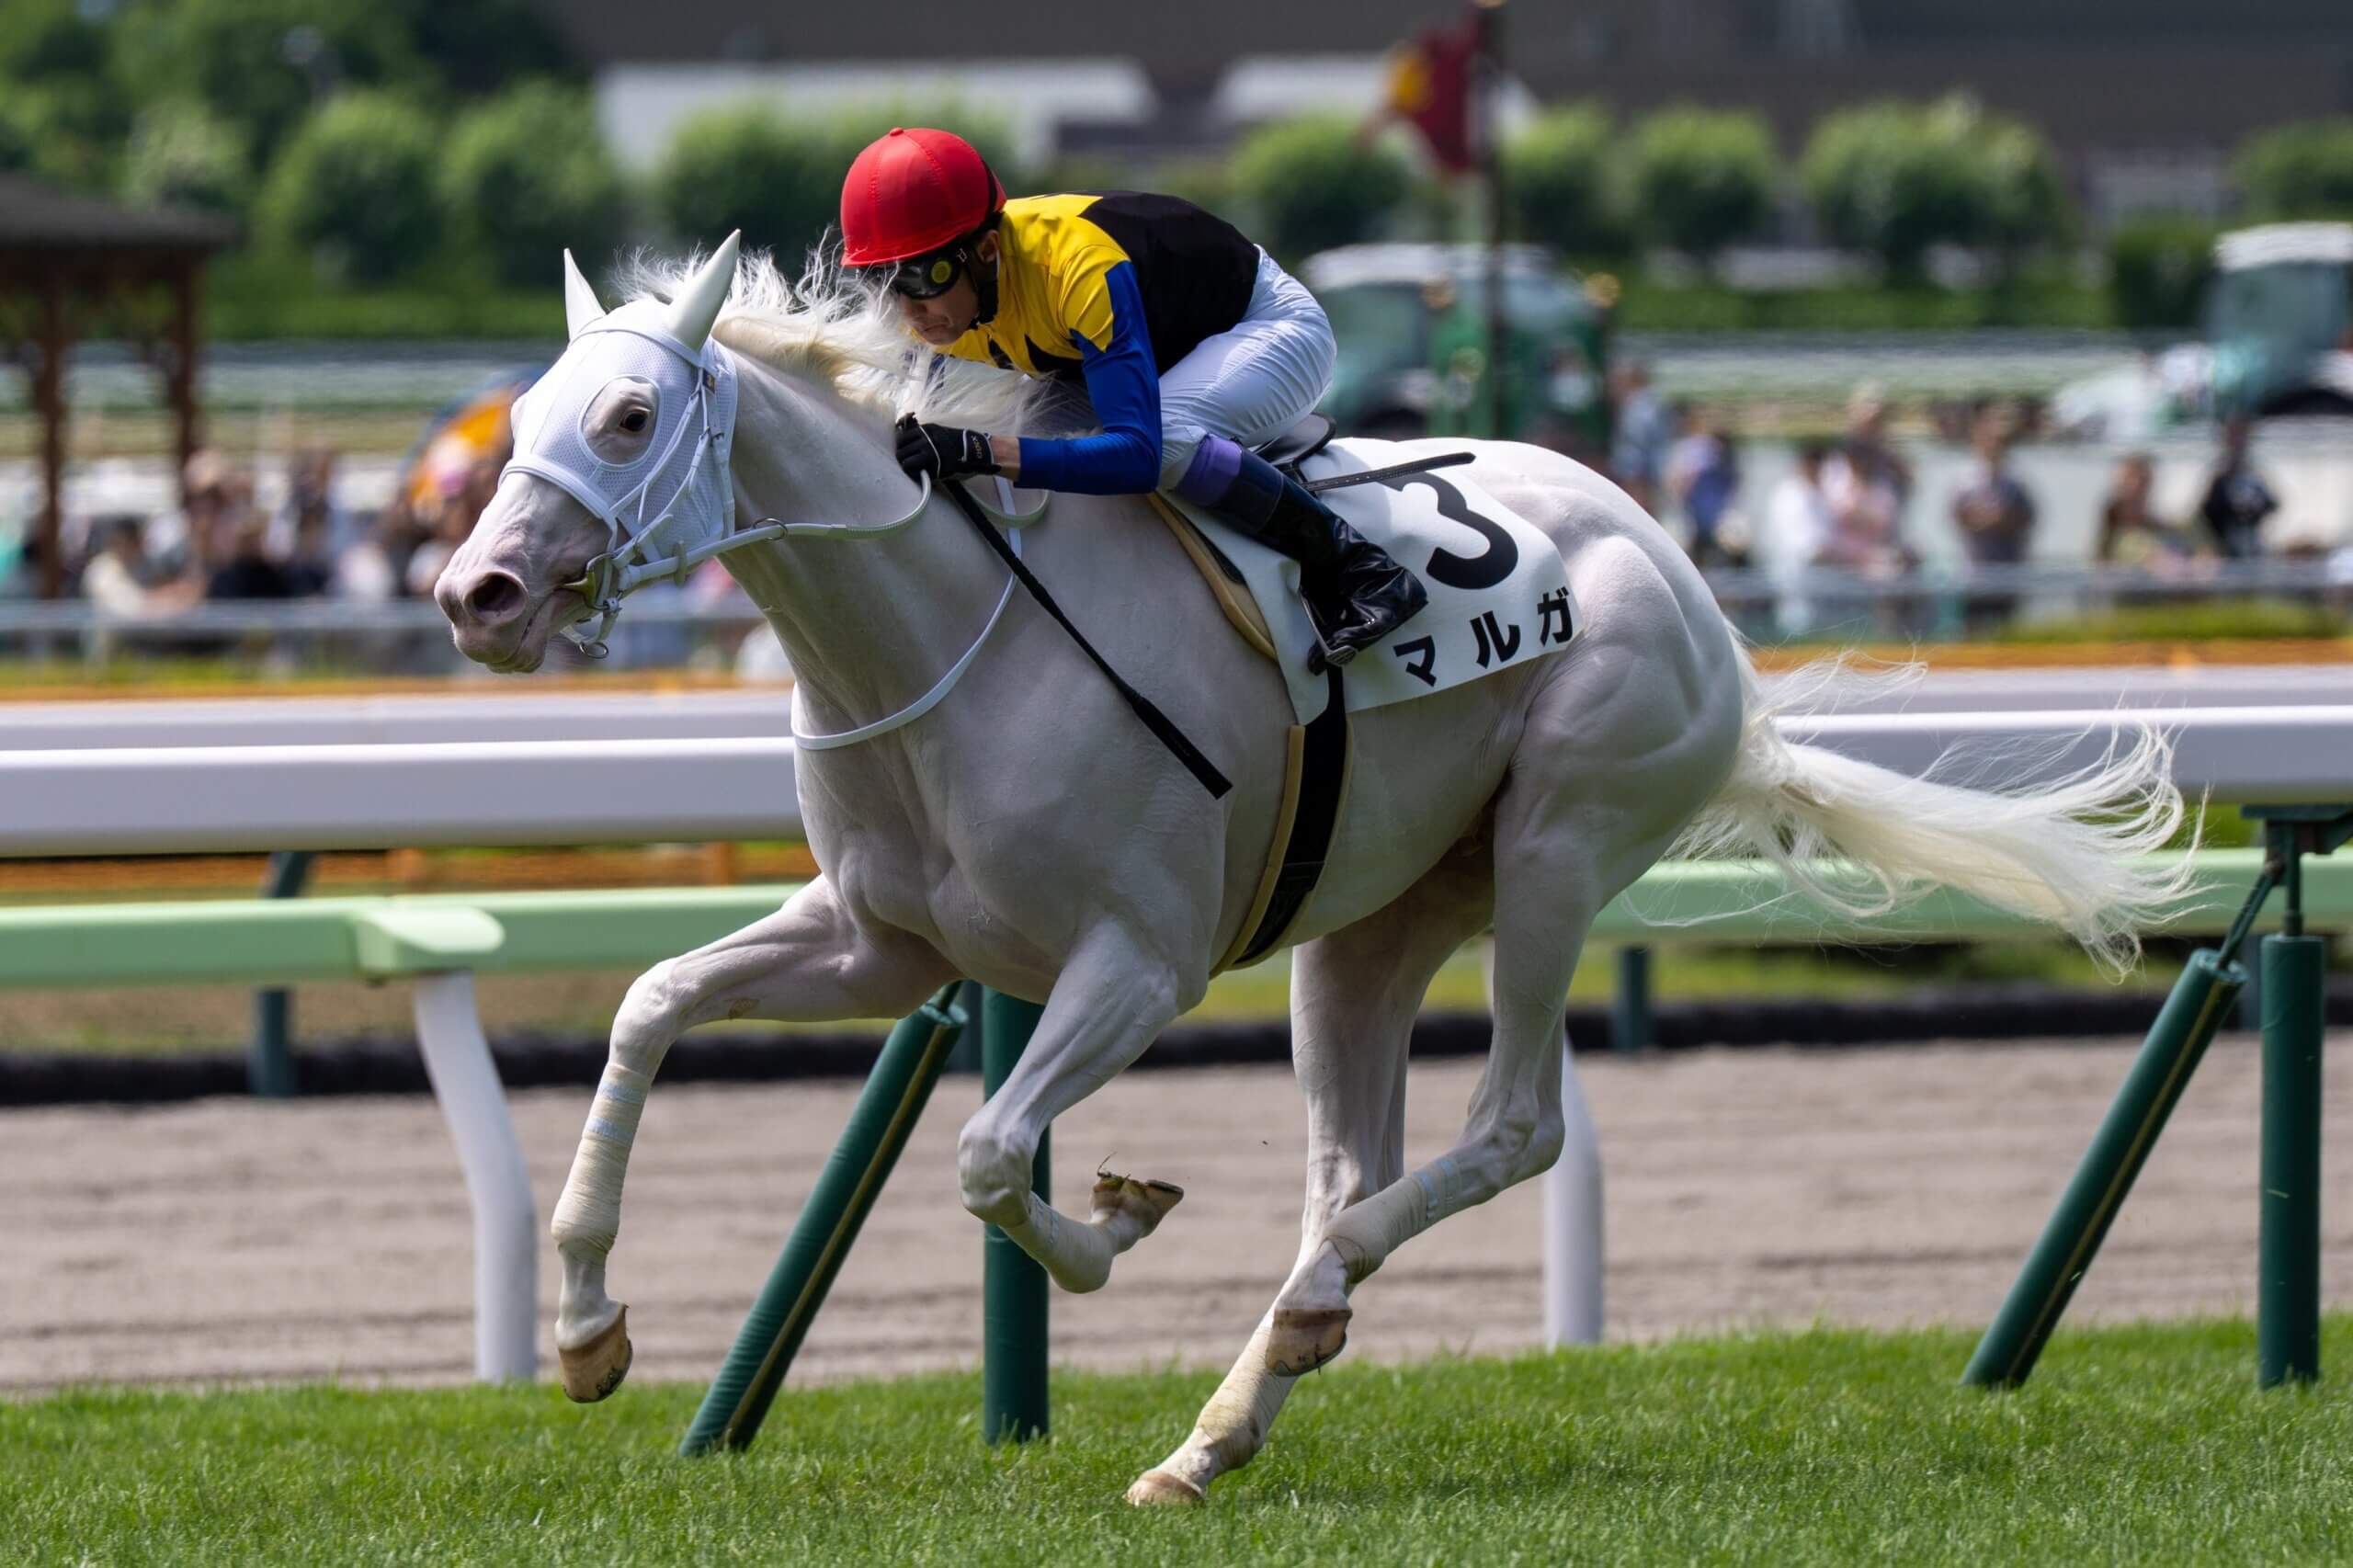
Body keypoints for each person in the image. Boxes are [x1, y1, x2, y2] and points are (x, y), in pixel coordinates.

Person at [842, 127, 1425, 668]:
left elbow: (1139, 454)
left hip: (1269, 328)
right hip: (1133, 352)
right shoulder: (932, 303)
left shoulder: (1078, 267)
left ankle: (1357, 567)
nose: (906, 310)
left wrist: (979, 450)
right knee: (1024, 444)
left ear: (988, 252)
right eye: (884, 281)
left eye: (921, 277)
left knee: (1165, 440)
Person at [1949, 405, 2038, 633]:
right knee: (1971, 633)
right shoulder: (1964, 479)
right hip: (1975, 572)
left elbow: (2025, 518)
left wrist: (2001, 519)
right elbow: (1959, 516)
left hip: (2008, 573)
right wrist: (1985, 519)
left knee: (2006, 635)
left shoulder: (2016, 480)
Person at [1665, 405, 1742, 568]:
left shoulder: (1721, 456)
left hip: (1716, 518)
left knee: (1735, 541)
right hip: (1689, 518)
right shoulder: (1686, 449)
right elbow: (1677, 484)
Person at [2197, 415, 2279, 560]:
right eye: (2234, 436)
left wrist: (2252, 511)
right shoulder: (2217, 470)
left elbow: (2272, 503)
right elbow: (2206, 509)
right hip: (2223, 548)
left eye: (2242, 436)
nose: (2239, 441)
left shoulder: (2253, 471)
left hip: (2251, 543)